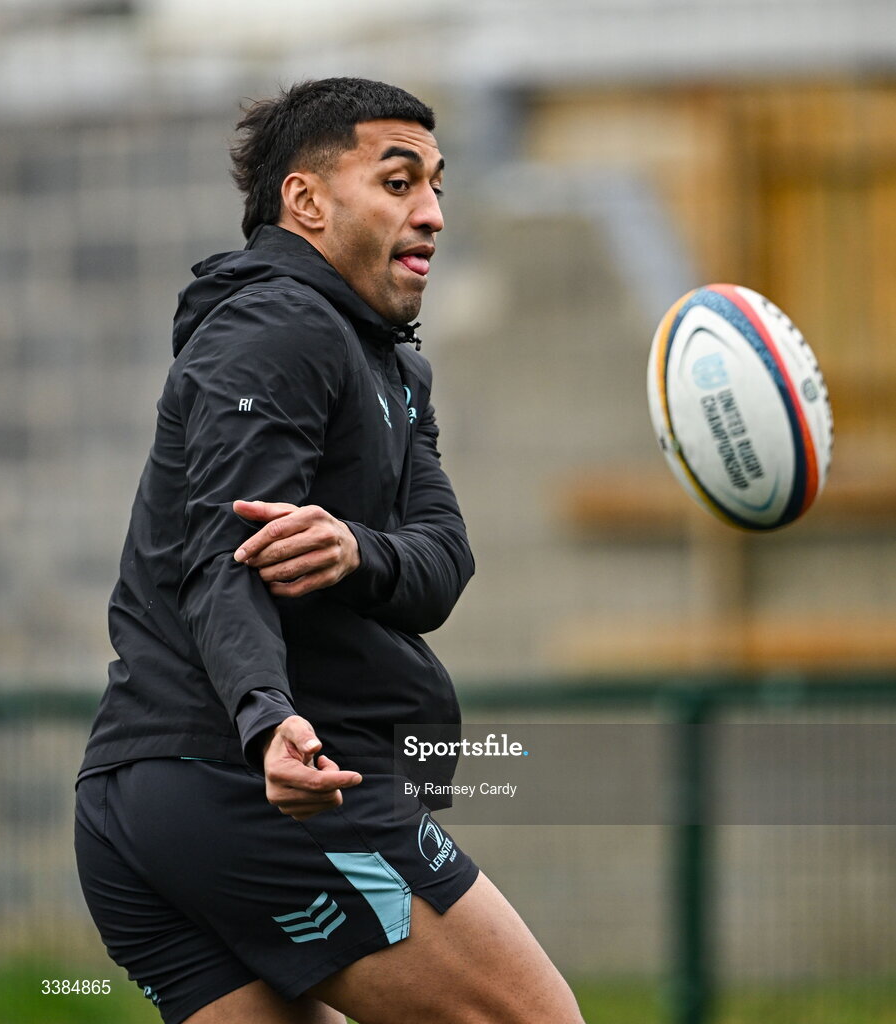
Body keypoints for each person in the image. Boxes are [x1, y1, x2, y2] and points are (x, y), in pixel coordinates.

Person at [74, 77, 585, 1024]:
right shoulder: (278, 328)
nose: (430, 212)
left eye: (436, 184)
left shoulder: (389, 364)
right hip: (260, 787)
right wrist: (267, 717)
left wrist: (356, 550)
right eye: (397, 183)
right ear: (305, 201)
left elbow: (440, 563)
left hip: (145, 802)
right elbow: (224, 562)